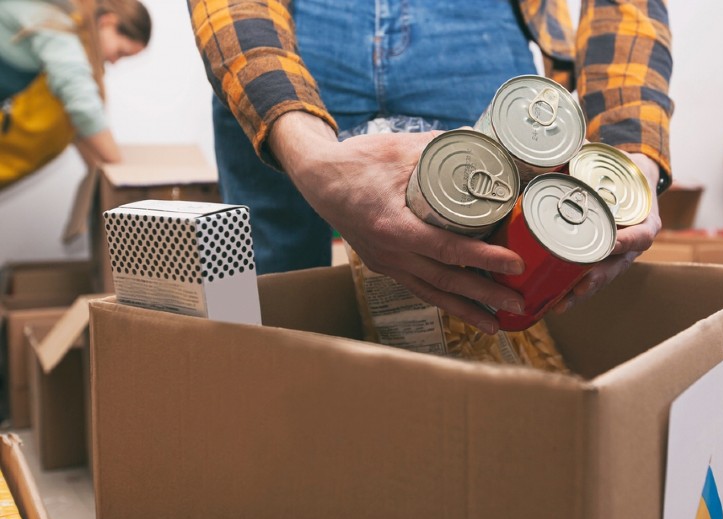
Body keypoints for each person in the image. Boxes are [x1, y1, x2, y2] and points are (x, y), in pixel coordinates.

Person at [189, 0, 673, 335]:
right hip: (283, 31)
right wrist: (307, 153)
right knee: (262, 314)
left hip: (476, 29)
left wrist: (631, 150)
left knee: (476, 325)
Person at [0, 0, 152, 185]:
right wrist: (123, 172)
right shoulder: (58, 23)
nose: (114, 61)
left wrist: (103, 171)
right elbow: (81, 104)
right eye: (121, 52)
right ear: (108, 22)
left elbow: (80, 127)